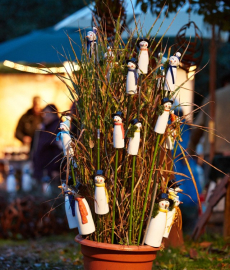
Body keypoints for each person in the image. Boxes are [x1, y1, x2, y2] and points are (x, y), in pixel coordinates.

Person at [188, 74, 230, 183]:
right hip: (216, 153)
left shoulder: (214, 97)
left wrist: (191, 149)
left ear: (225, 83)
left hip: (214, 153)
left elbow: (198, 127)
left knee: (212, 192)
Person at [33, 104, 62, 184]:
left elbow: (59, 150)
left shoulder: (58, 128)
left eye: (46, 114)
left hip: (51, 171)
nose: (44, 116)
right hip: (42, 169)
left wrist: (56, 169)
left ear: (53, 115)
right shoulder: (45, 127)